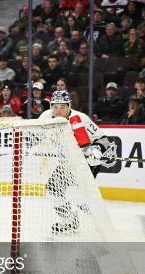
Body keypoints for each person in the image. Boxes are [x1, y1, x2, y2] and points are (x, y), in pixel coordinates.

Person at [38, 91, 115, 233]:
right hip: (68, 161)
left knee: (78, 194)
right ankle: (69, 221)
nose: (58, 111)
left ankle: (100, 220)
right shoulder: (46, 118)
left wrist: (96, 150)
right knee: (53, 189)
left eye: (62, 107)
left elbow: (104, 140)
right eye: (55, 107)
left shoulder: (80, 118)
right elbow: (35, 136)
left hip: (87, 161)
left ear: (69, 106)